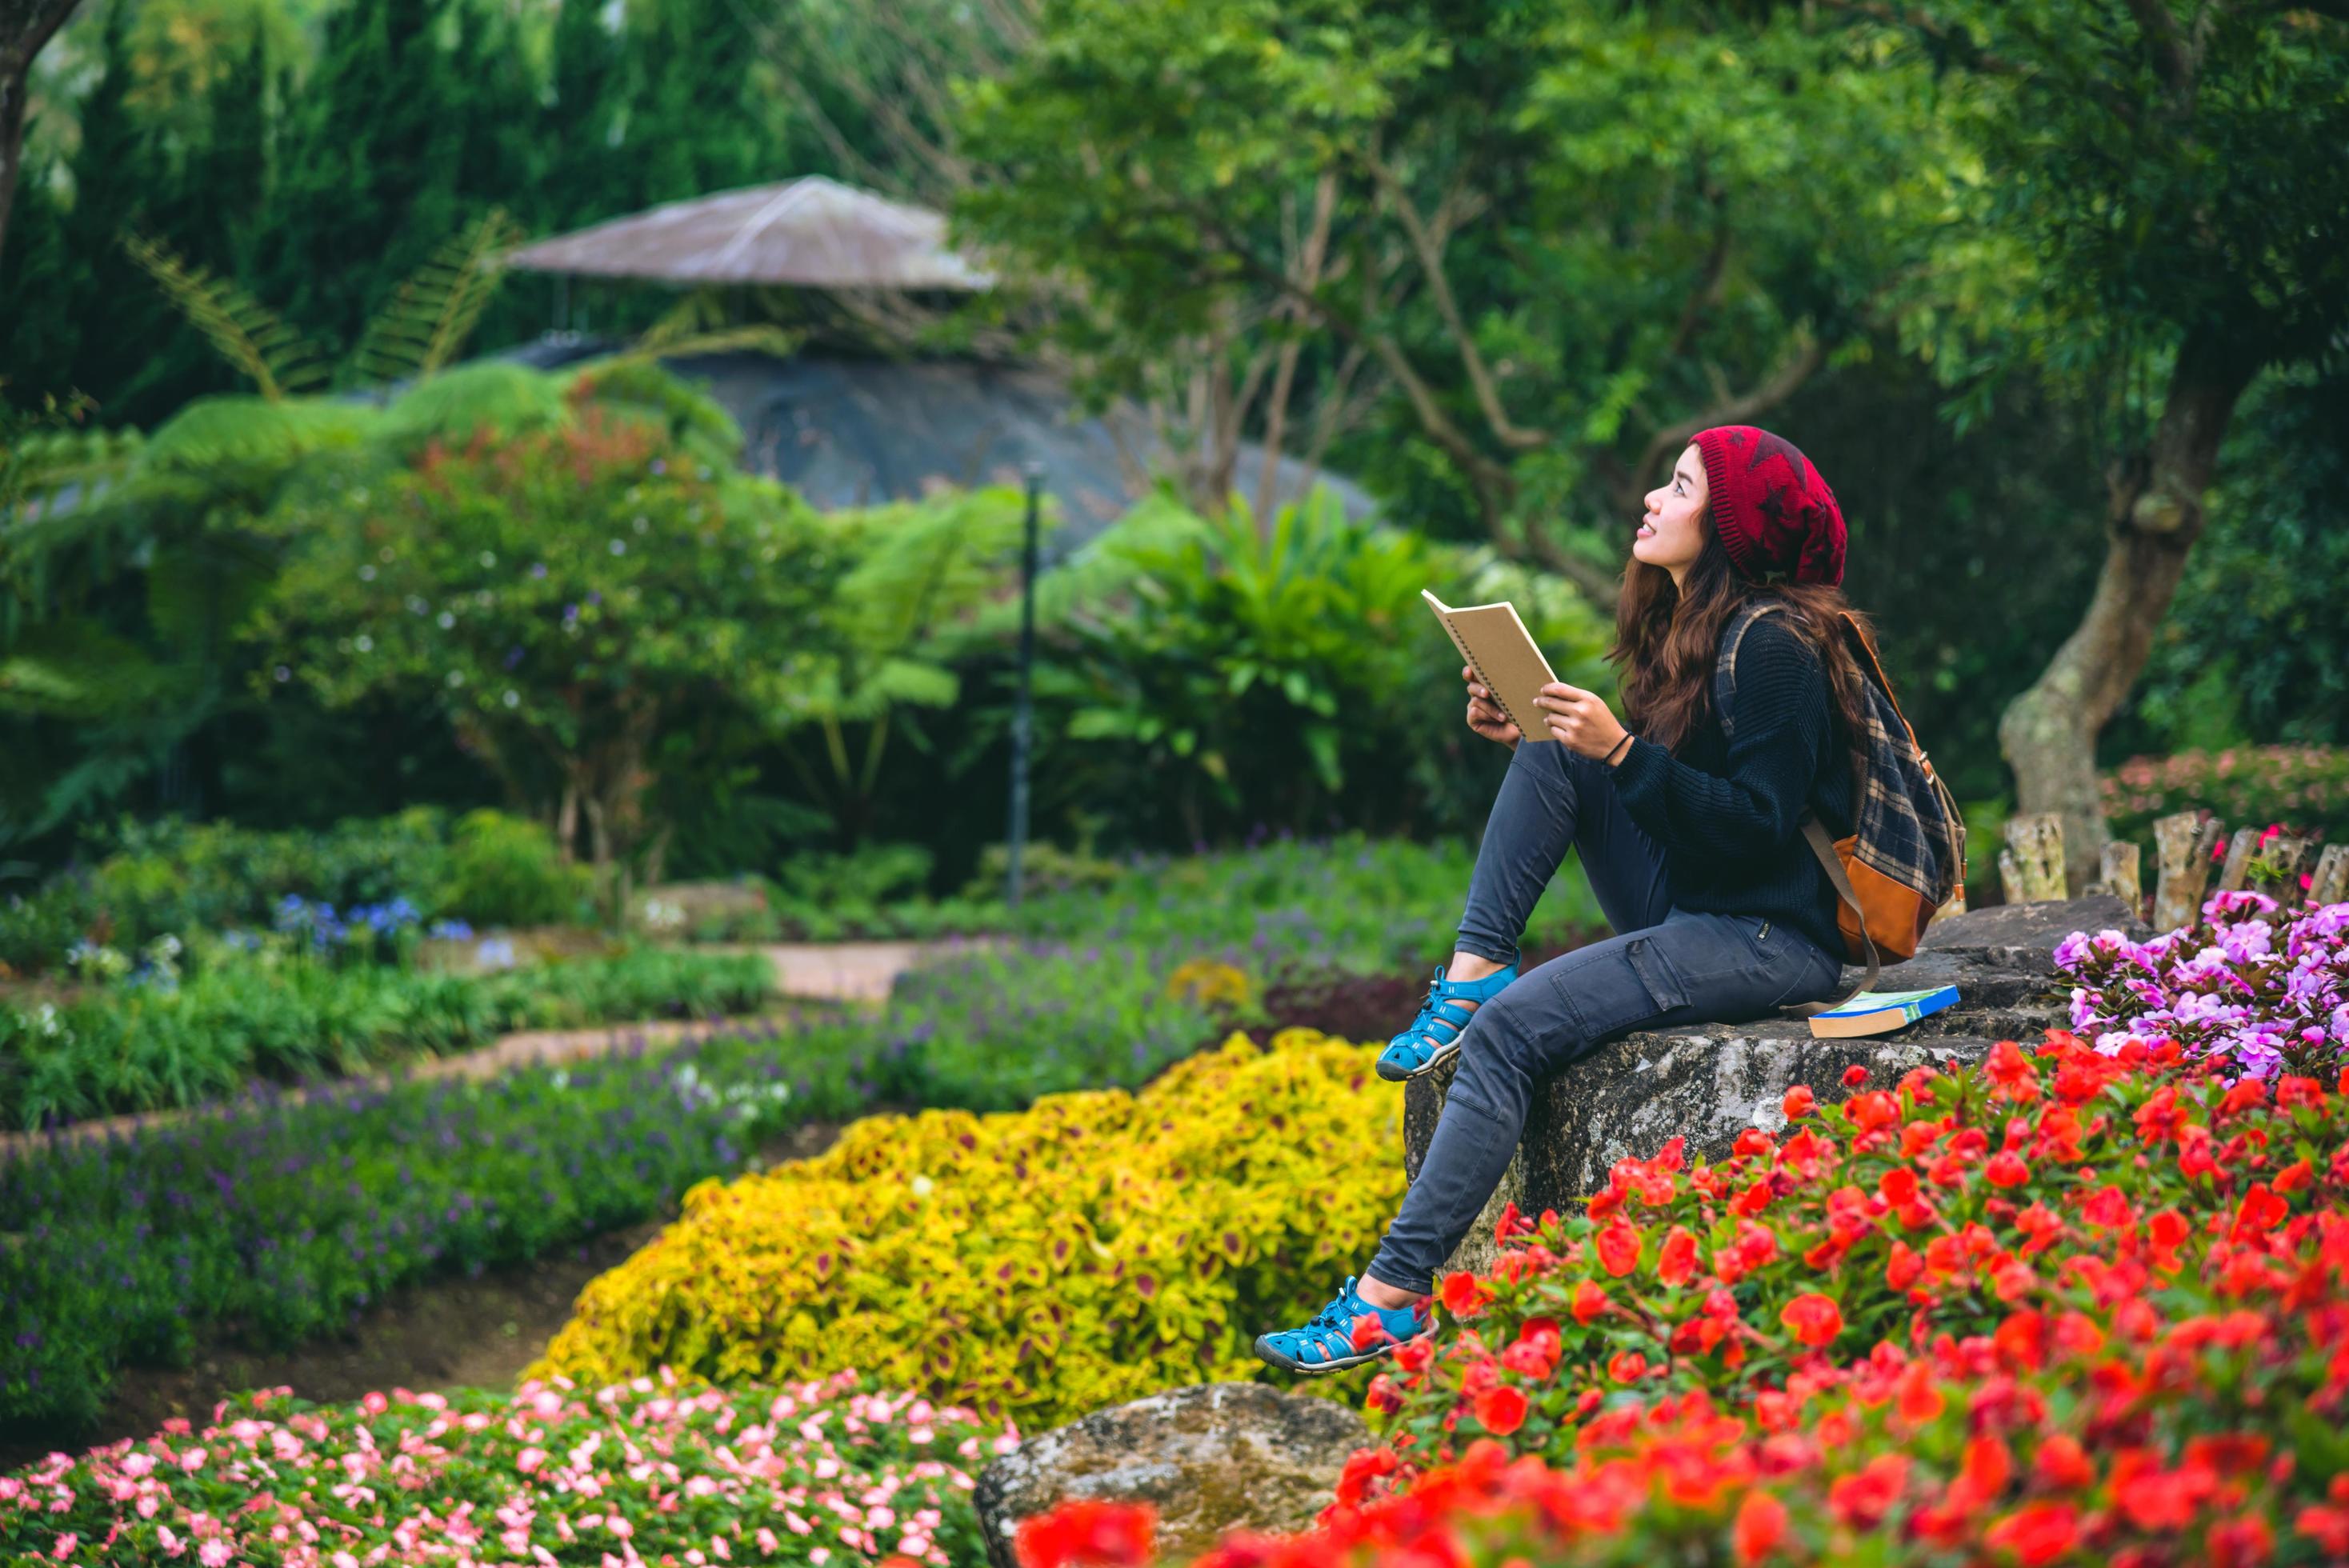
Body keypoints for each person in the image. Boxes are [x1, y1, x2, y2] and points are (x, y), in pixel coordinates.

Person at [1255, 423, 1887, 1373]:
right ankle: (1470, 975)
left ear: (1732, 527)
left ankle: (1386, 1302)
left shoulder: (1776, 647)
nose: (1652, 500)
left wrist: (1623, 751)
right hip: (1698, 903)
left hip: (1767, 936)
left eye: (1680, 488)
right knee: (1552, 743)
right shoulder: (1693, 632)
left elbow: (1757, 823)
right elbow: (1665, 804)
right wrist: (1549, 742)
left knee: (1512, 1034)